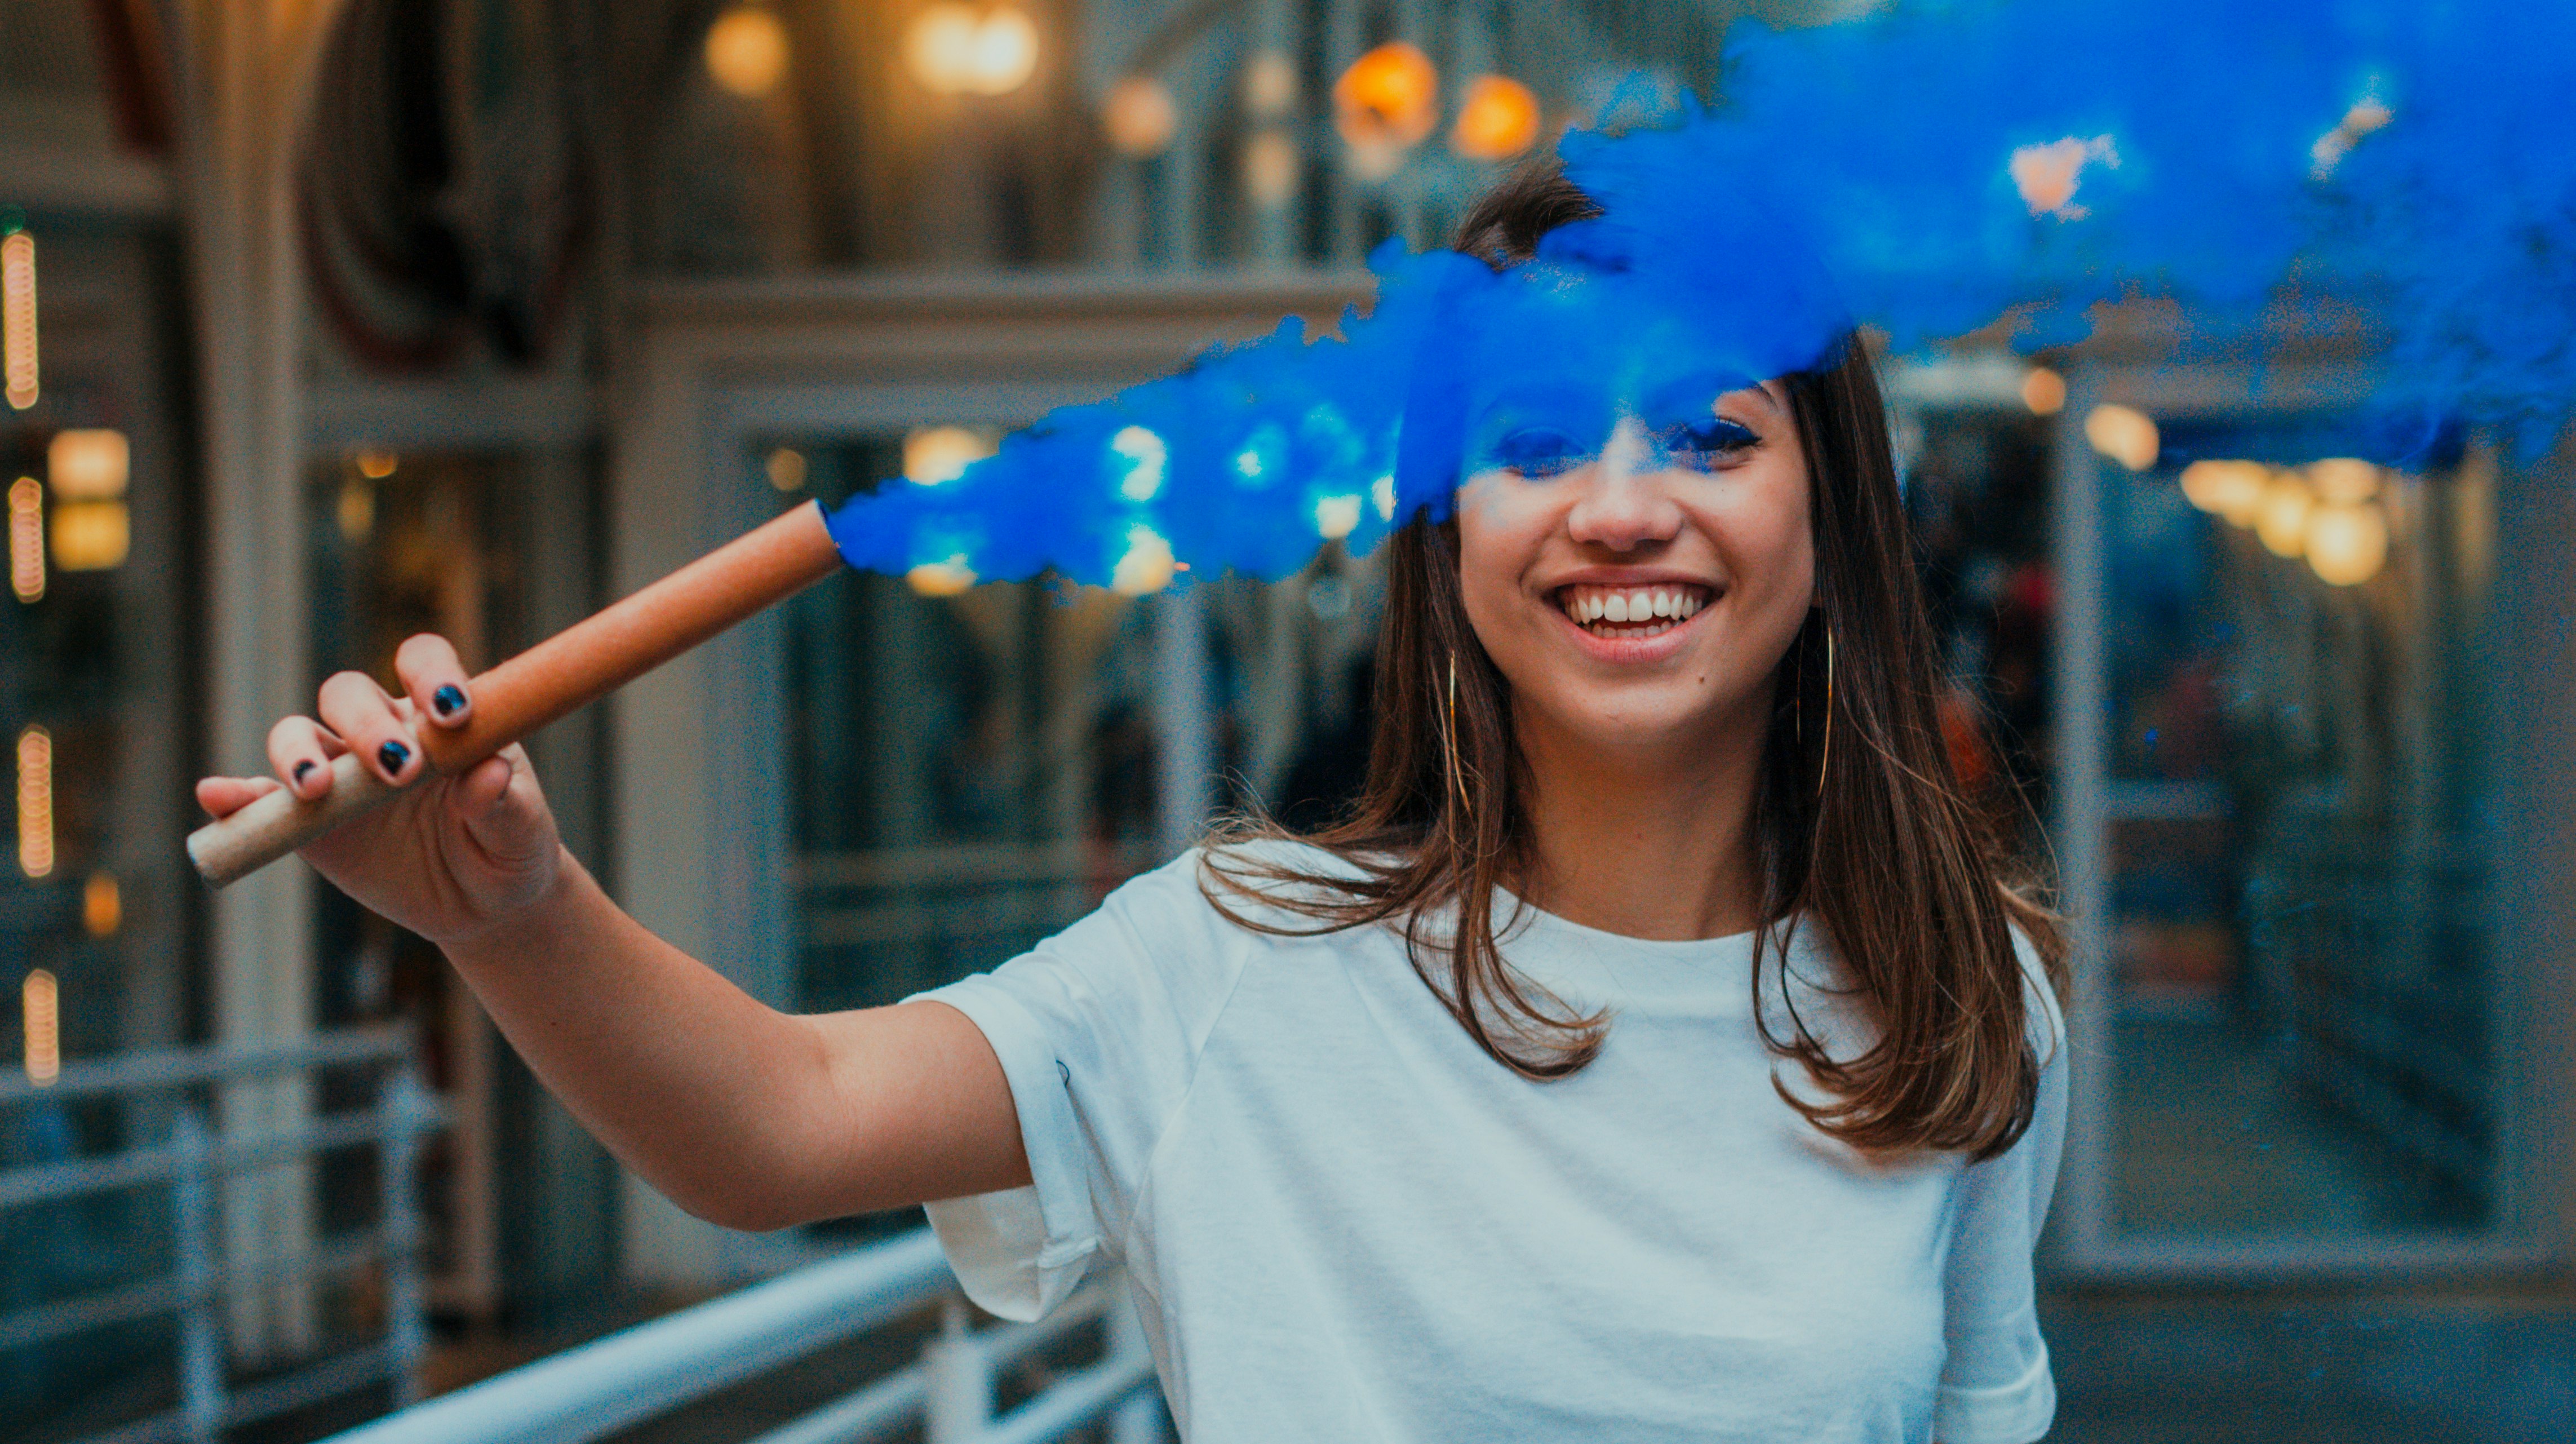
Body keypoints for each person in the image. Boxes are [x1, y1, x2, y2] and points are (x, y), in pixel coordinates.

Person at [197, 164, 2069, 1443]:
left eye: (1710, 435)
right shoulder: (1246, 956)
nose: (1618, 503)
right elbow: (774, 1127)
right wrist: (504, 910)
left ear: (1830, 514)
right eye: (1525, 445)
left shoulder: (1962, 997)